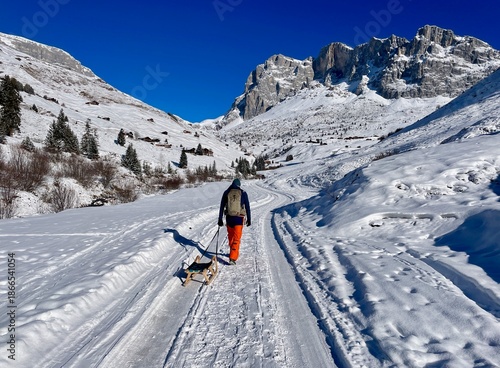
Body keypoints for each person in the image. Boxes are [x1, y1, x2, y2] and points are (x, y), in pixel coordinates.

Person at [218, 178, 251, 265]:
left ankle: (232, 252)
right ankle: (232, 257)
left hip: (229, 219)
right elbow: (247, 207)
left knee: (231, 237)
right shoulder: (243, 193)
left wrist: (220, 219)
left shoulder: (226, 192)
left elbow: (221, 207)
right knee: (236, 238)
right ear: (239, 185)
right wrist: (249, 219)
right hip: (239, 219)